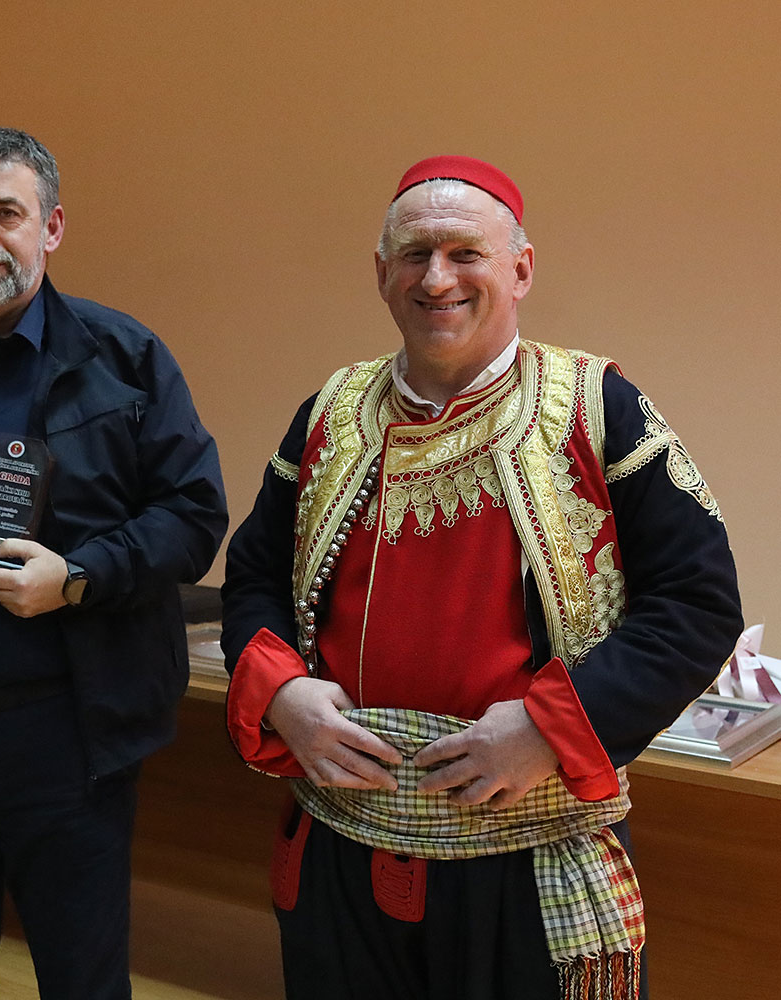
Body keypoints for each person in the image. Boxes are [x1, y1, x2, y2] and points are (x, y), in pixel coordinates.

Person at [221, 155, 743, 1000]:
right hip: (340, 847)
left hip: (527, 862)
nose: (438, 279)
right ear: (381, 273)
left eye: (466, 253)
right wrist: (282, 694)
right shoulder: (329, 412)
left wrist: (547, 729)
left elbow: (696, 606)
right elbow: (253, 578)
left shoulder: (597, 408)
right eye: (415, 254)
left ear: (521, 269)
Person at [0, 127, 228, 999]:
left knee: (81, 979)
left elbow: (194, 515)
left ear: (51, 227)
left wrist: (80, 575)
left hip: (69, 737)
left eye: (7, 213)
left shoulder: (125, 358)